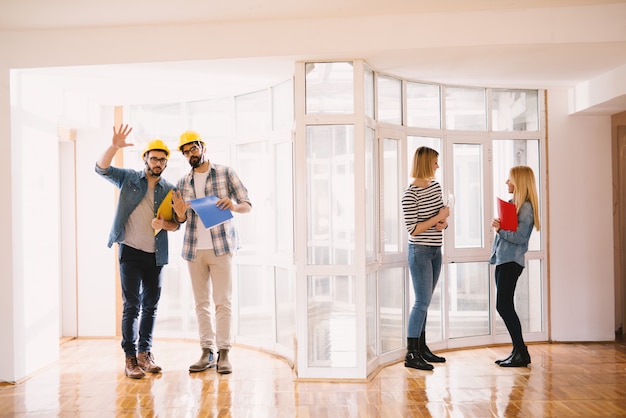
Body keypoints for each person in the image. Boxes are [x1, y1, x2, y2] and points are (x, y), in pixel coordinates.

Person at [95, 124, 179, 379]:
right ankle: (130, 358)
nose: (158, 163)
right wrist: (114, 146)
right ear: (146, 159)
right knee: (131, 305)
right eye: (154, 158)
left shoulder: (170, 189)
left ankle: (145, 353)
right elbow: (101, 169)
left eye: (162, 160)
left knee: (151, 306)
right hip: (130, 251)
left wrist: (164, 224)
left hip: (156, 255)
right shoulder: (129, 178)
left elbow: (177, 224)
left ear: (165, 163)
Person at [171, 130, 252, 374]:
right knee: (201, 303)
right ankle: (207, 351)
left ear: (202, 147)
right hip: (195, 250)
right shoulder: (183, 182)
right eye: (185, 152)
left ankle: (224, 352)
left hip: (221, 248)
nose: (190, 154)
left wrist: (234, 206)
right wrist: (181, 212)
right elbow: (181, 219)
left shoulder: (226, 173)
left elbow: (247, 205)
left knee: (222, 302)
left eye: (193, 149)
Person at [401, 146, 450, 371]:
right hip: (419, 251)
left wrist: (443, 223)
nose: (437, 166)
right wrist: (438, 217)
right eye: (435, 162)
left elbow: (439, 220)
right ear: (425, 163)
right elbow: (413, 229)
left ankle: (422, 347)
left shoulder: (436, 187)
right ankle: (411, 353)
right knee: (421, 302)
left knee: (426, 302)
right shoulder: (409, 194)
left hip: (435, 250)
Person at [490, 165, 540, 368]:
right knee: (504, 305)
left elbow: (519, 237)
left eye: (509, 179)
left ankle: (521, 351)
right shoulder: (515, 204)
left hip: (511, 261)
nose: (506, 182)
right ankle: (517, 351)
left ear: (519, 182)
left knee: (503, 306)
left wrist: (500, 230)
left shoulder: (526, 207)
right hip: (504, 259)